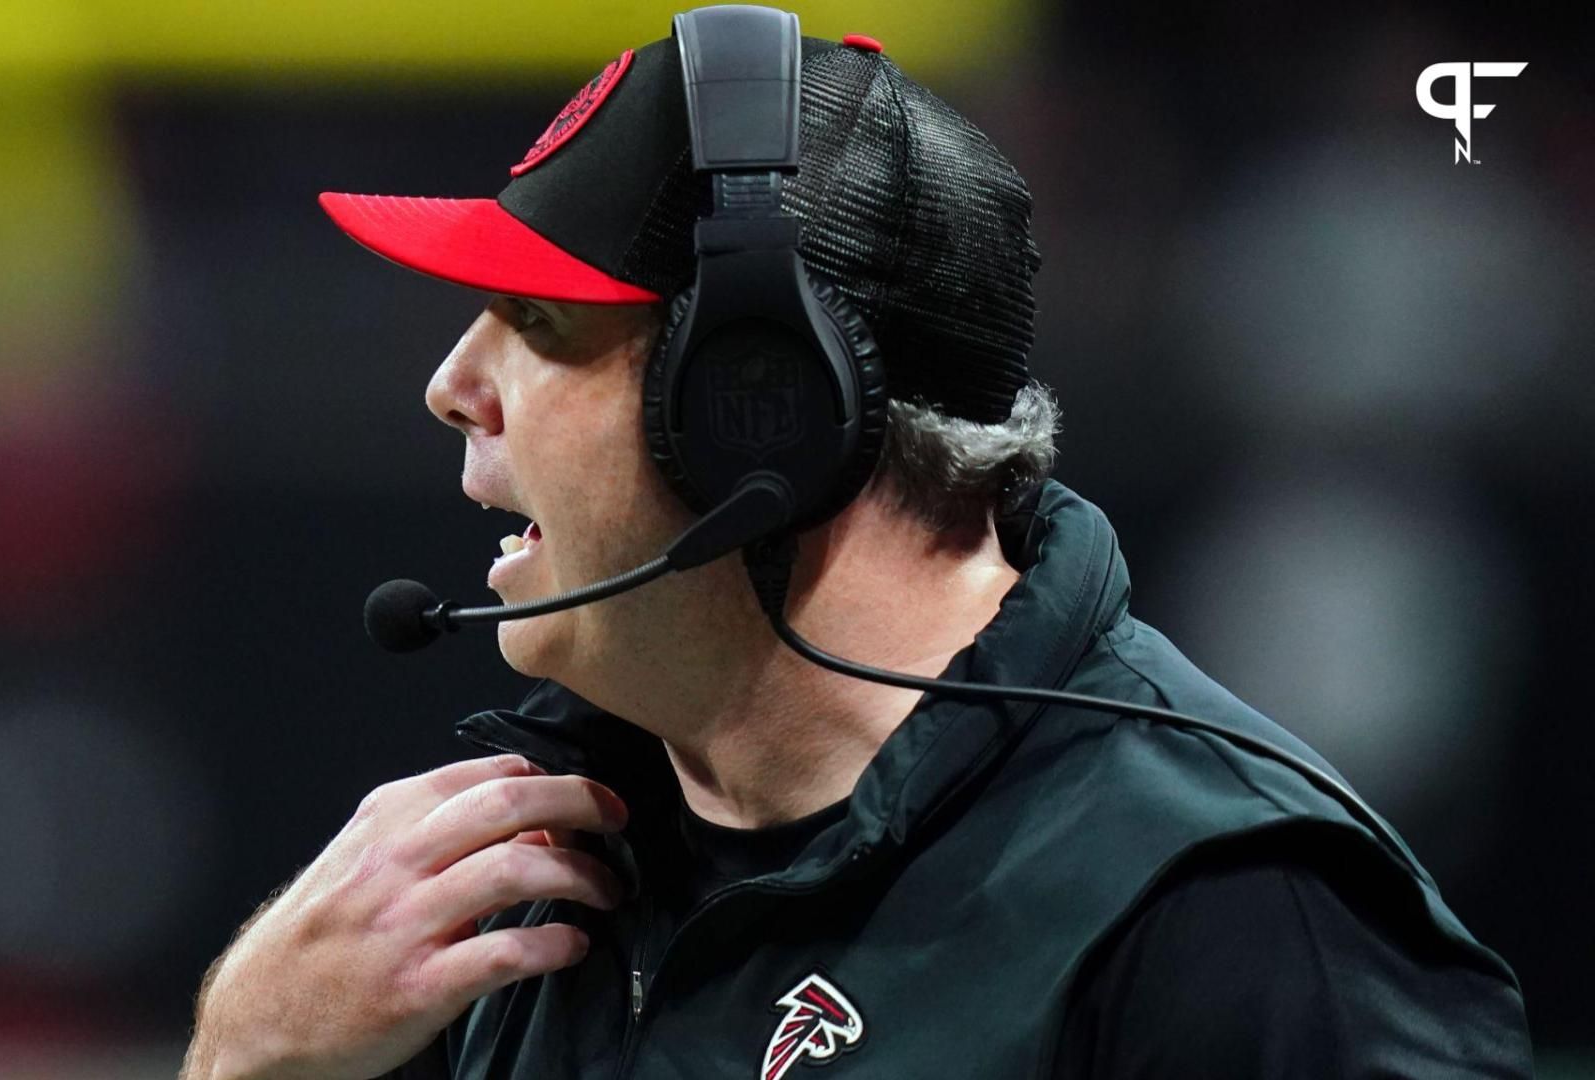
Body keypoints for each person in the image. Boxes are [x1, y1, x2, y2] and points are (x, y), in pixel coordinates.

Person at [181, 8, 1533, 1078]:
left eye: (537, 326)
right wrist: (249, 1057)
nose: (448, 386)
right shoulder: (488, 899)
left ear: (752, 407)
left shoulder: (1225, 920)